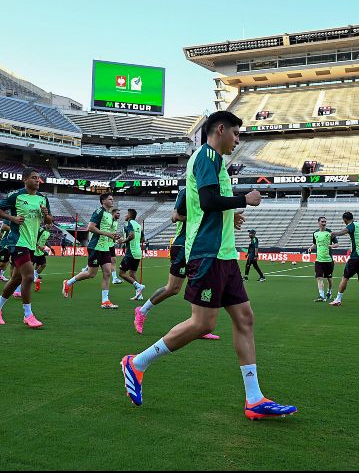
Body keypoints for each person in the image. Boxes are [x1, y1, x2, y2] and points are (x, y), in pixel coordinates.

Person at [120, 110, 297, 420]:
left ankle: (254, 400)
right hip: (208, 253)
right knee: (203, 324)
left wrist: (232, 214)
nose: (237, 141)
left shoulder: (216, 162)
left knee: (245, 318)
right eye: (236, 134)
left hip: (224, 255)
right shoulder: (206, 157)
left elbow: (215, 204)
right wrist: (245, 199)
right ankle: (137, 364)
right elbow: (207, 201)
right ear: (219, 130)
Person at [133, 188, 219, 340]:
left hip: (200, 245)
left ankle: (199, 326)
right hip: (183, 245)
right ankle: (142, 311)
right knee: (173, 288)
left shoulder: (210, 191)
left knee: (199, 284)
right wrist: (198, 219)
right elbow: (175, 216)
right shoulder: (186, 191)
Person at [0, 169, 52, 328]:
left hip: (31, 243)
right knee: (29, 276)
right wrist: (13, 218)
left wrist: (46, 215)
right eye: (33, 178)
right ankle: (28, 315)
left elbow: (49, 222)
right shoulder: (16, 195)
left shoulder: (43, 198)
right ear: (25, 179)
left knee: (16, 278)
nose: (37, 180)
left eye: (38, 178)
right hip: (17, 242)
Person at [63, 193, 120, 308]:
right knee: (91, 274)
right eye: (110, 199)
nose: (112, 201)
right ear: (103, 201)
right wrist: (107, 234)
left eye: (112, 199)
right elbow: (90, 227)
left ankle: (105, 301)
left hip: (105, 247)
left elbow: (106, 230)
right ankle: (68, 283)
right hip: (95, 246)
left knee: (107, 272)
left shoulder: (109, 215)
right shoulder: (99, 212)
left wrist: (113, 236)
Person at [329, 212, 359, 308]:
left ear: (345, 219)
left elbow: (345, 231)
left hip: (356, 257)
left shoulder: (351, 225)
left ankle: (338, 300)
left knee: (345, 278)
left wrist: (335, 233)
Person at [116, 209, 146, 300]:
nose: (125, 215)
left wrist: (123, 241)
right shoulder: (138, 225)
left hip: (131, 252)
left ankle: (138, 286)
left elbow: (131, 235)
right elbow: (143, 239)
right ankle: (139, 294)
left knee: (121, 273)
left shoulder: (129, 224)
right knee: (132, 273)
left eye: (126, 214)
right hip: (138, 252)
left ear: (129, 215)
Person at [307, 216, 338, 302]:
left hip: (328, 260)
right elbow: (315, 244)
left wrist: (330, 246)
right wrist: (310, 248)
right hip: (318, 260)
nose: (324, 223)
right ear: (319, 223)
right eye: (322, 222)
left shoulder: (330, 233)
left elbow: (336, 244)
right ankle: (321, 295)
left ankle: (329, 291)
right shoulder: (315, 233)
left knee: (329, 279)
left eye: (325, 222)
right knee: (319, 277)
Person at [32, 224, 51, 291]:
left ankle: (35, 275)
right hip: (34, 250)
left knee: (43, 264)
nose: (50, 225)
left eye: (51, 223)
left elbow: (45, 241)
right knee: (30, 266)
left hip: (40, 252)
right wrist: (39, 247)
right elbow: (34, 238)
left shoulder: (48, 233)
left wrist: (50, 247)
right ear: (46, 224)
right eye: (49, 223)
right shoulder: (40, 230)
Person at [110, 208, 123, 285]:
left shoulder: (116, 222)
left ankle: (114, 278)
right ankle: (87, 268)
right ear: (113, 213)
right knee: (98, 260)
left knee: (113, 260)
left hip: (111, 243)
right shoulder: (110, 221)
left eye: (119, 213)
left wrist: (116, 238)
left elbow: (113, 233)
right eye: (117, 213)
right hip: (105, 244)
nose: (119, 215)